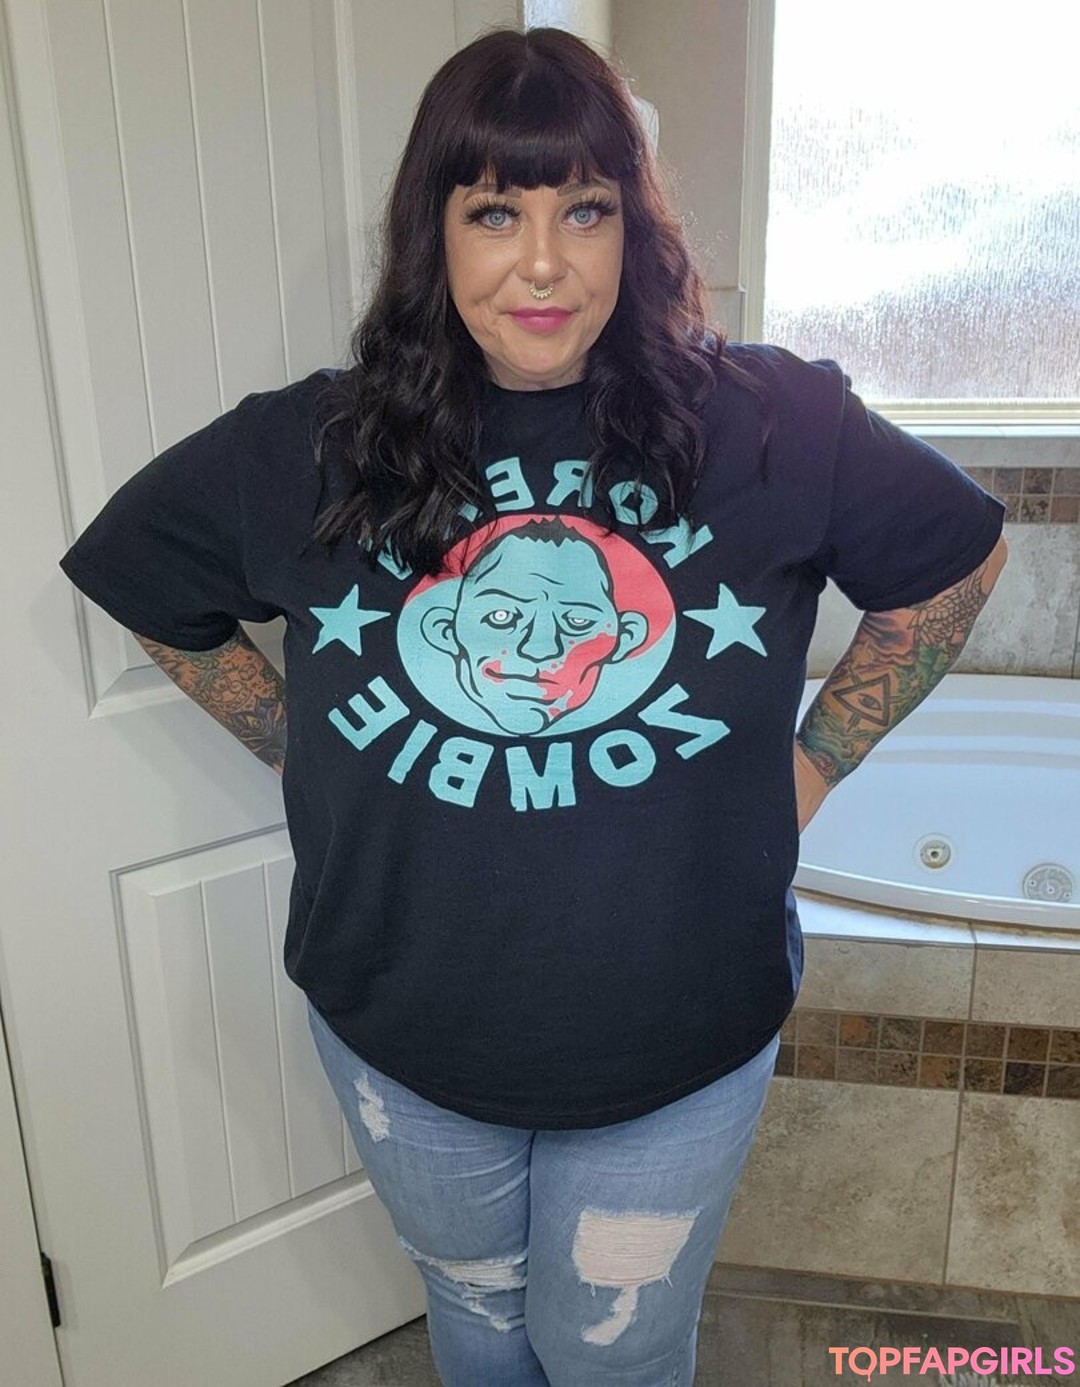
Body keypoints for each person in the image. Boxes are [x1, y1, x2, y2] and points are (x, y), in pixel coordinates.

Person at [57, 25, 1007, 1387]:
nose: (546, 263)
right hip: (402, 1025)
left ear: (636, 228)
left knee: (612, 1351)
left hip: (679, 1031)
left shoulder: (770, 423)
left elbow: (956, 566)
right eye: (497, 211)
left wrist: (807, 772)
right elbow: (145, 584)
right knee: (477, 1323)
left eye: (587, 209)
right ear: (433, 234)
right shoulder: (310, 447)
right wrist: (297, 746)